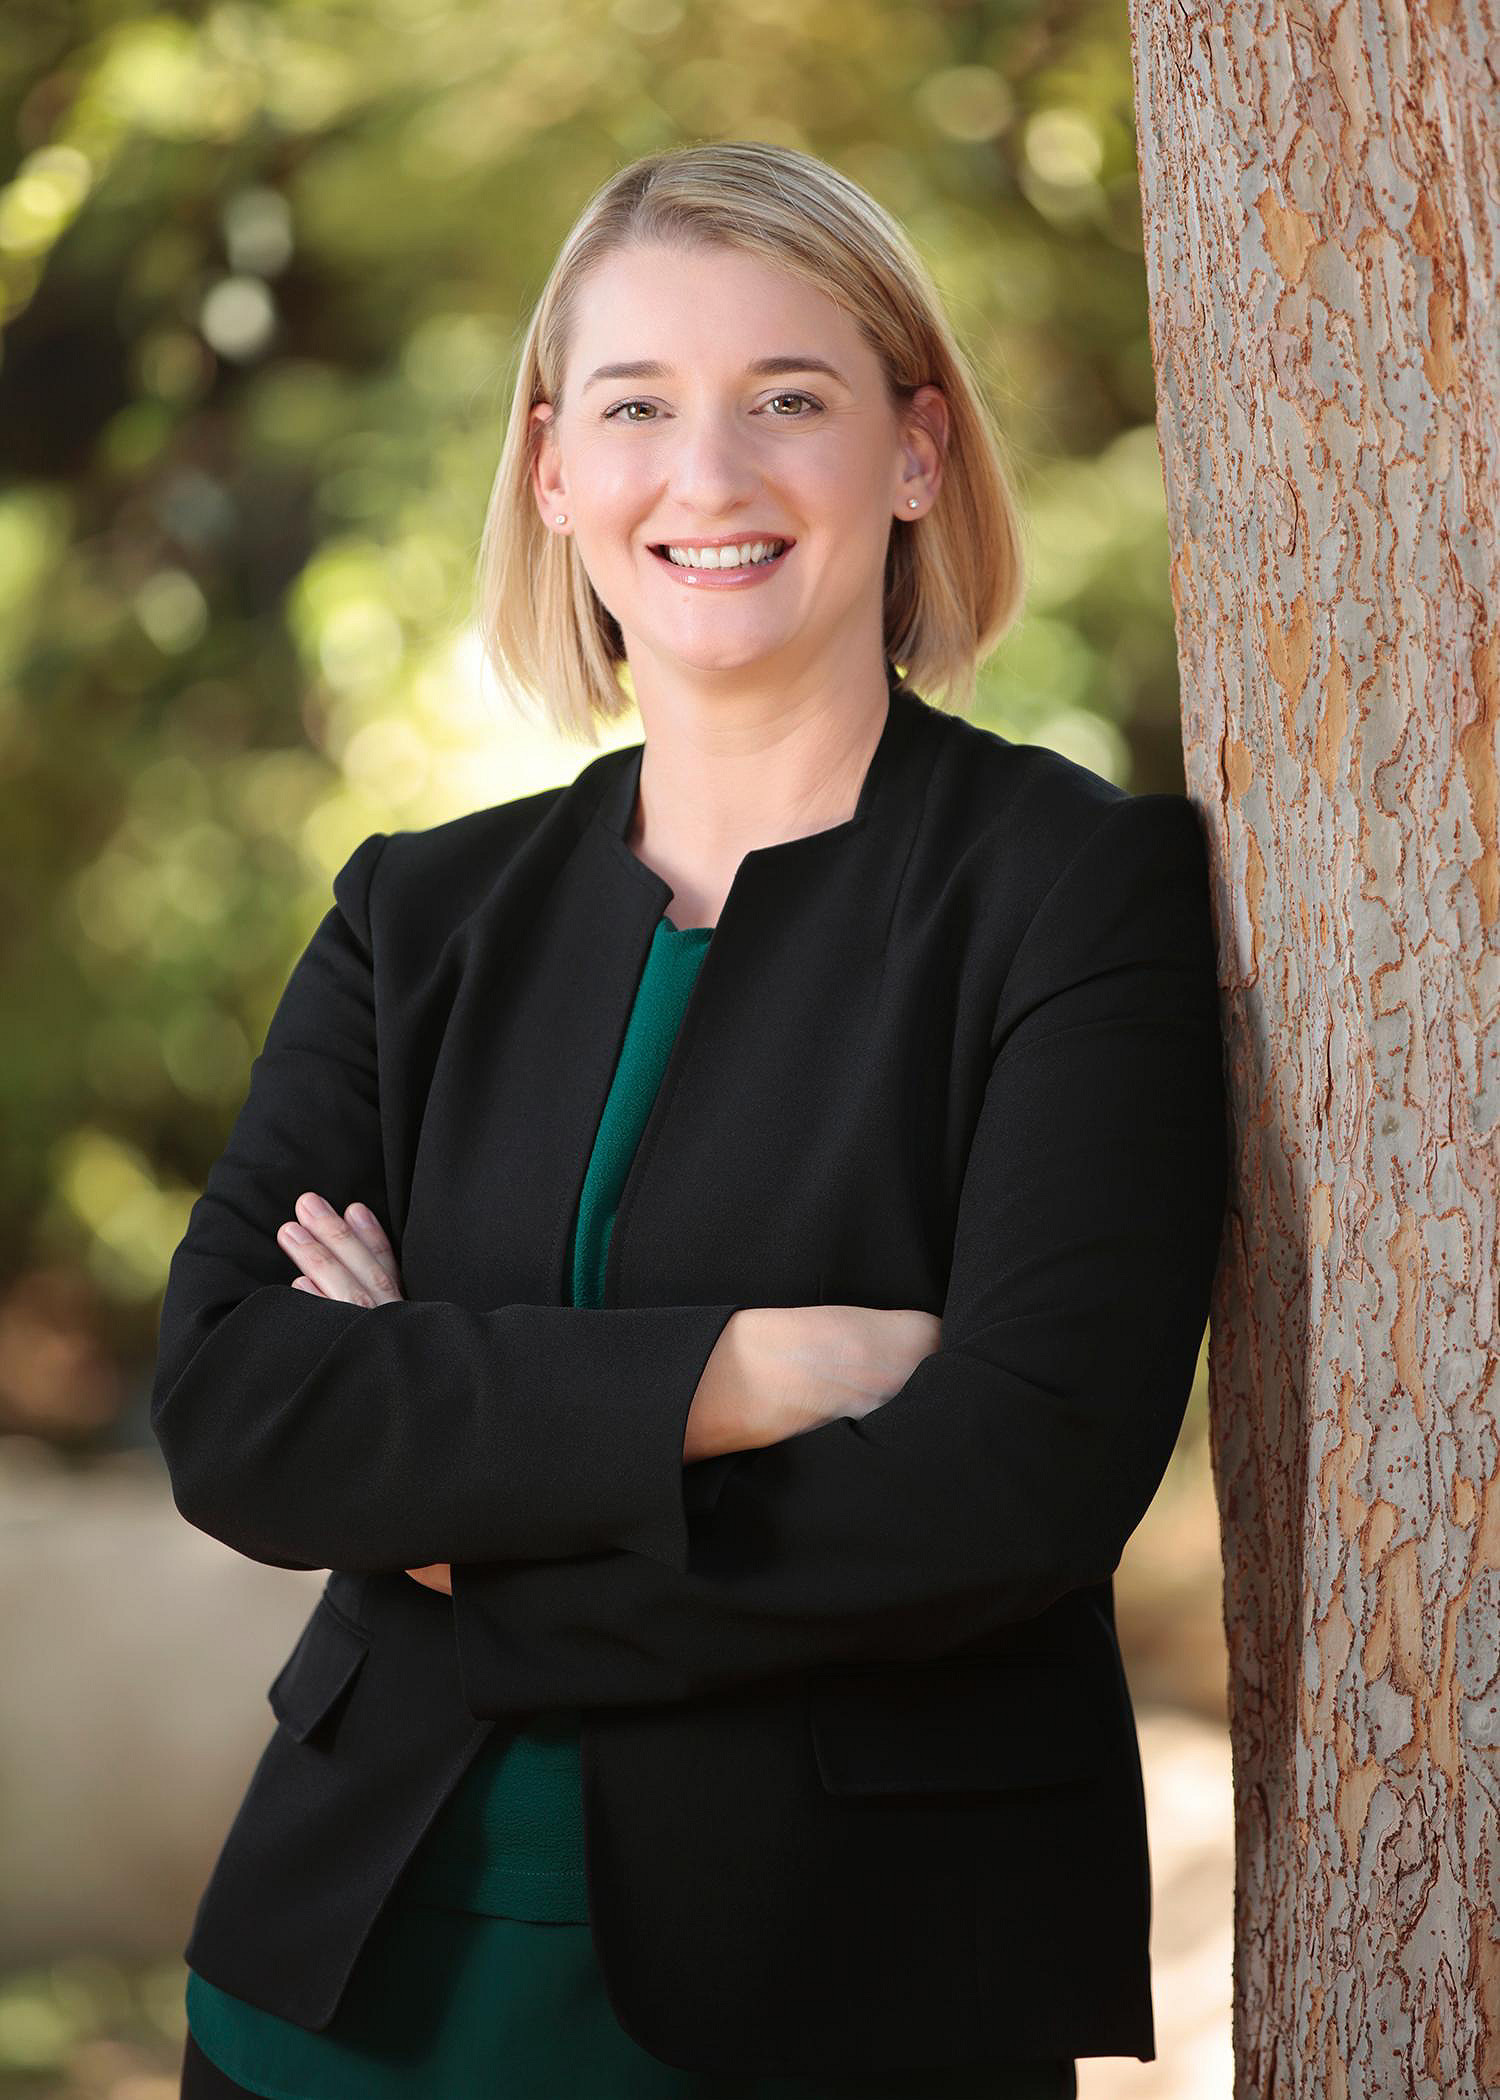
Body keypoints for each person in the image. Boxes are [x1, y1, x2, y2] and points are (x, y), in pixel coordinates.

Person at [158, 139, 1228, 2099]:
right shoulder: (419, 913)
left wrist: (467, 1495)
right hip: (337, 1991)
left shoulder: (1076, 891)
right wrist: (745, 1373)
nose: (708, 477)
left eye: (788, 403)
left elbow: (1019, 1481)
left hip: (835, 1998)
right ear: (556, 471)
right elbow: (241, 1409)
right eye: (639, 406)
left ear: (914, 453)